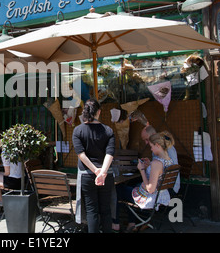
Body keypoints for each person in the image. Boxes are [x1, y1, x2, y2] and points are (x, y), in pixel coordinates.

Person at [112, 131, 174, 232]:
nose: (151, 149)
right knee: (129, 188)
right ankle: (132, 224)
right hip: (162, 196)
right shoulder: (168, 160)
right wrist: (149, 166)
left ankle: (115, 223)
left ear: (157, 145)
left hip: (149, 198)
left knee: (117, 189)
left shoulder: (156, 163)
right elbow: (158, 174)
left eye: (151, 146)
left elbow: (150, 188)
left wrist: (142, 170)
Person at [73, 99, 115, 233]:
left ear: (85, 112)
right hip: (106, 176)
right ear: (99, 112)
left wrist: (96, 171)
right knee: (106, 209)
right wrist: (102, 172)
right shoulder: (108, 130)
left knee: (92, 210)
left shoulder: (77, 131)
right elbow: (110, 154)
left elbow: (81, 155)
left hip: (86, 176)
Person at [141, 125, 180, 194]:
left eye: (147, 139)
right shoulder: (161, 150)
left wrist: (142, 170)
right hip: (163, 188)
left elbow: (171, 169)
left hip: (168, 189)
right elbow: (162, 168)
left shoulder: (168, 149)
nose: (146, 143)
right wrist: (150, 165)